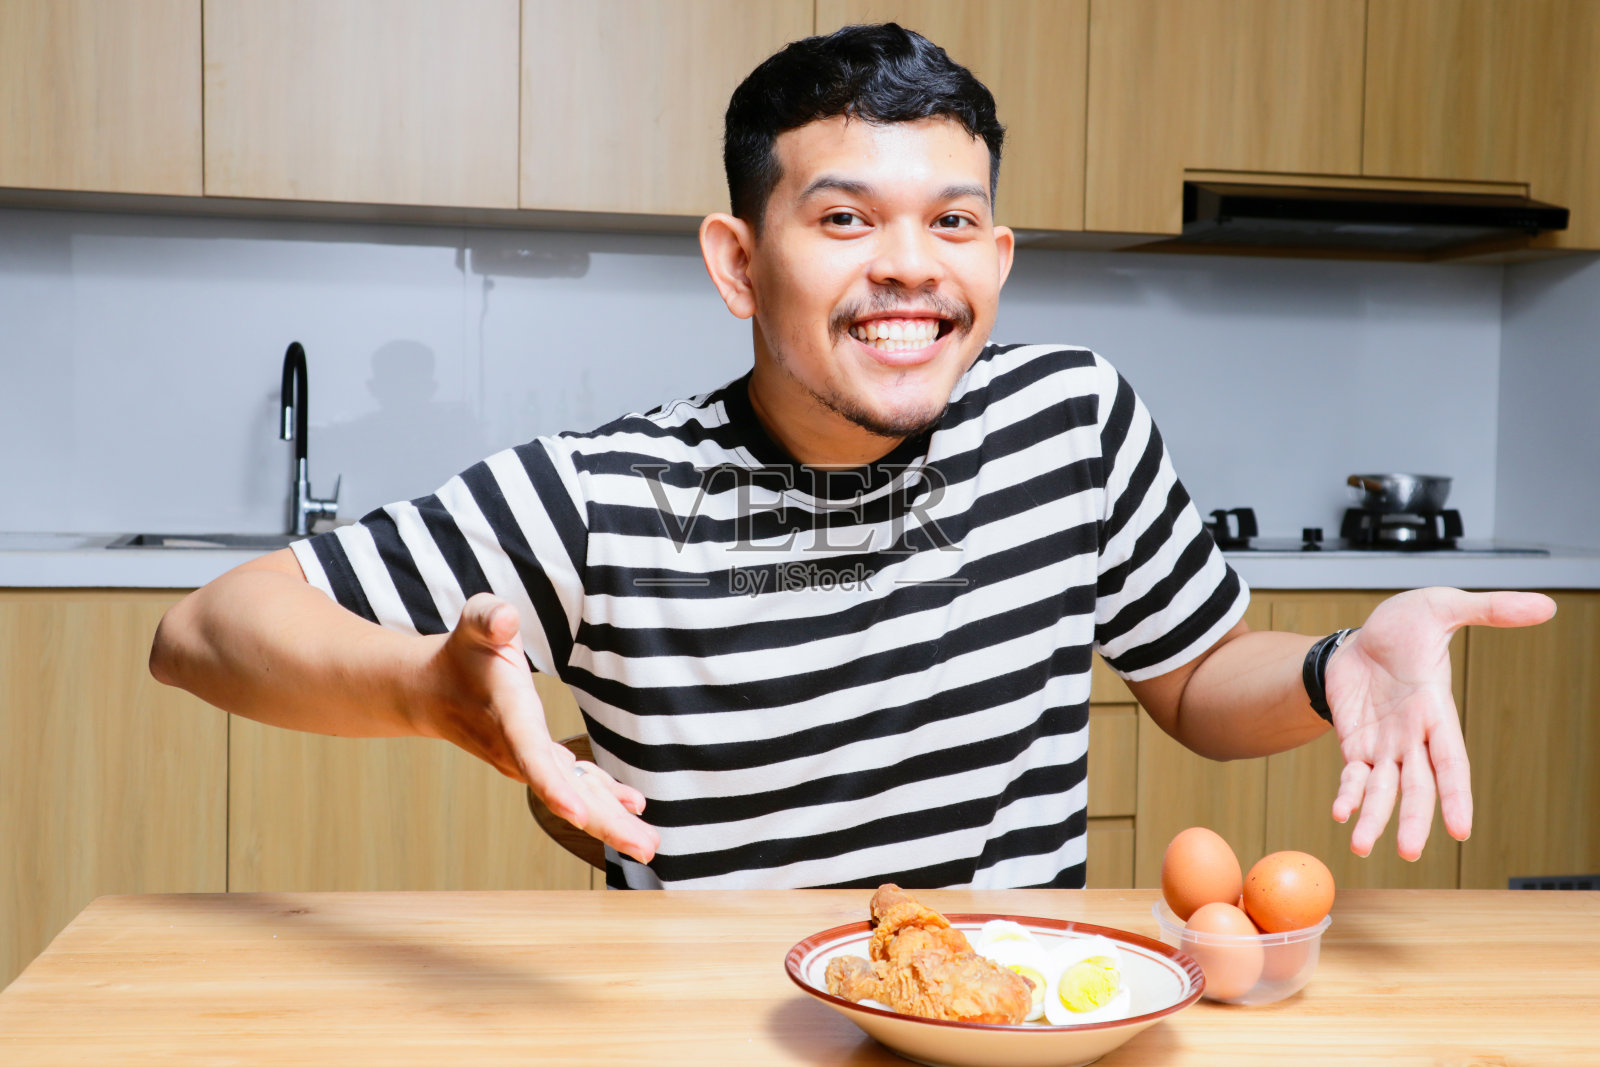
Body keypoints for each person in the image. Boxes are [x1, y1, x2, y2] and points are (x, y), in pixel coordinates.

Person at [150, 24, 1555, 890]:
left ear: (997, 260)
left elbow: (1190, 678)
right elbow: (204, 628)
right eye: (843, 219)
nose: (908, 270)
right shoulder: (612, 496)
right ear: (737, 261)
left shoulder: (1073, 417)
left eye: (953, 224)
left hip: (1016, 1020)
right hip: (713, 1032)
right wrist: (428, 695)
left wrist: (1331, 665)